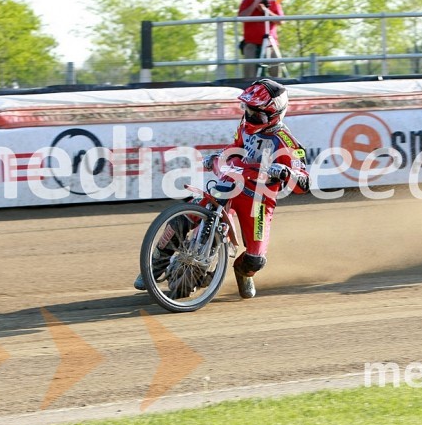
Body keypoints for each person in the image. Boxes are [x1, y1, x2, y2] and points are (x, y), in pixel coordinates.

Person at [133, 79, 310, 298]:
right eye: (247, 109)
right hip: (229, 183)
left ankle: (242, 272)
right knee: (183, 217)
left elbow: (304, 181)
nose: (249, 116)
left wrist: (287, 173)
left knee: (256, 259)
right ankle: (153, 267)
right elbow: (235, 148)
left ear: (274, 114)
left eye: (256, 113)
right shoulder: (245, 126)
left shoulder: (286, 142)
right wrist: (219, 157)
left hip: (258, 202)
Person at [238, 0, 284, 79]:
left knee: (276, 65)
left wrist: (265, 11)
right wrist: (255, 4)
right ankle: (250, 88)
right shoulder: (248, 1)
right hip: (251, 42)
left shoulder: (274, 3)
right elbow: (241, 17)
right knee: (249, 69)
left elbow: (280, 21)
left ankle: (275, 89)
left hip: (270, 43)